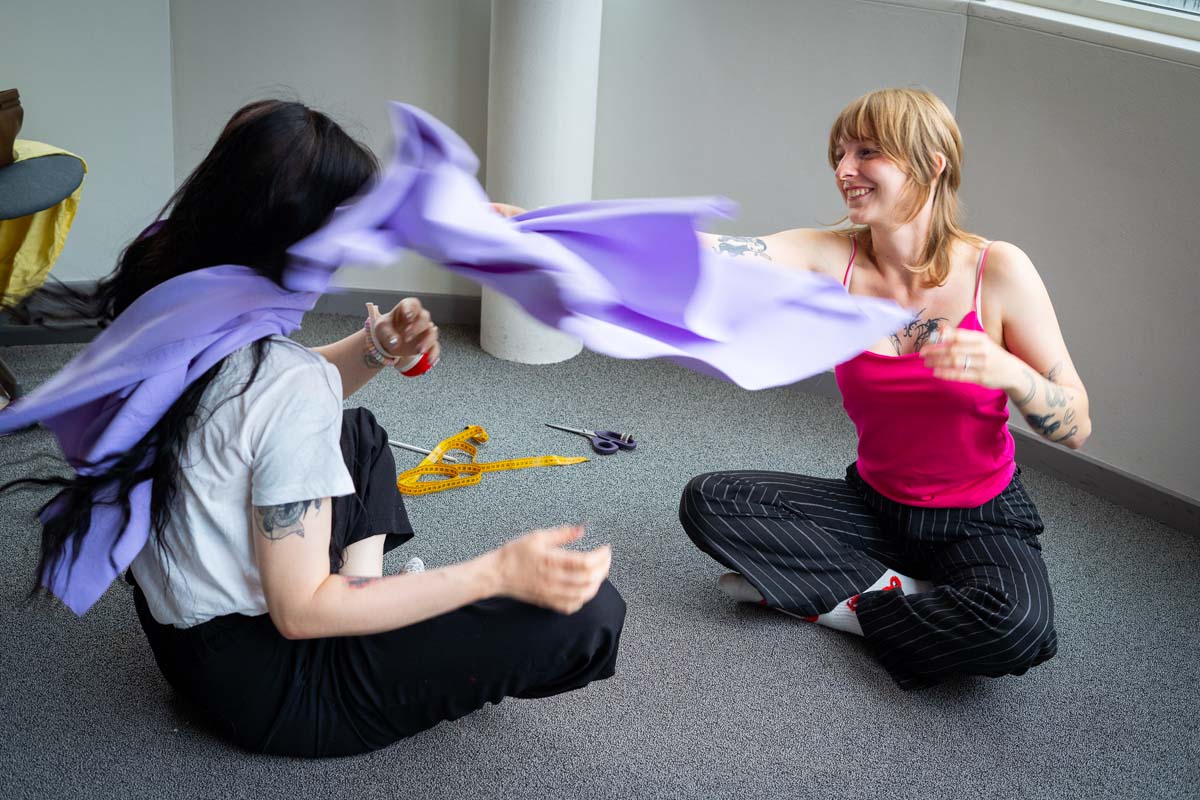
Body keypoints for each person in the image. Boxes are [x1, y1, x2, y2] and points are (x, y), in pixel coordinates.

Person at [4, 99, 624, 756]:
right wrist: (494, 574)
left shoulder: (173, 276)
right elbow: (300, 610)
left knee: (357, 435)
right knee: (589, 615)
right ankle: (364, 619)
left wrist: (377, 346)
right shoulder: (284, 381)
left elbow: (249, 405)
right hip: (275, 687)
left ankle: (368, 603)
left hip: (183, 639)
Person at [678, 88, 1090, 689]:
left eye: (867, 152)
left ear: (931, 163)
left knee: (1019, 629)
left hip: (978, 516)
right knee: (711, 500)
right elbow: (718, 252)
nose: (844, 170)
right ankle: (909, 598)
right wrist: (568, 234)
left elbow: (1076, 425)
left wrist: (1012, 373)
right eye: (839, 155)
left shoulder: (998, 270)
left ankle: (839, 599)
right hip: (875, 504)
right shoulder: (831, 257)